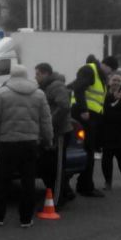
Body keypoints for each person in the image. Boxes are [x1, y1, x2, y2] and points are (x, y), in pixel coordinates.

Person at [0, 64, 52, 228]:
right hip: (30, 143)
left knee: (2, 181)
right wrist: (47, 140)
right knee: (28, 181)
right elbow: (46, 120)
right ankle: (26, 219)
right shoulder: (39, 94)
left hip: (7, 143)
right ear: (26, 75)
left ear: (11, 75)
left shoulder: (1, 93)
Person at [35, 62, 74, 206]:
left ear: (46, 74)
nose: (35, 77)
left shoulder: (56, 86)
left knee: (57, 167)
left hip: (59, 132)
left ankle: (57, 201)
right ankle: (66, 192)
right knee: (49, 165)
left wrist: (50, 123)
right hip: (51, 132)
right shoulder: (45, 87)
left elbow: (64, 106)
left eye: (38, 74)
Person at [71, 54, 109, 197]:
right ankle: (85, 186)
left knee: (87, 151)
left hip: (90, 116)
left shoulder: (98, 74)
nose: (110, 73)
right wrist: (84, 110)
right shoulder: (90, 70)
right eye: (110, 70)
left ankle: (83, 185)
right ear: (105, 65)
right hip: (85, 116)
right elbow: (78, 88)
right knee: (86, 151)